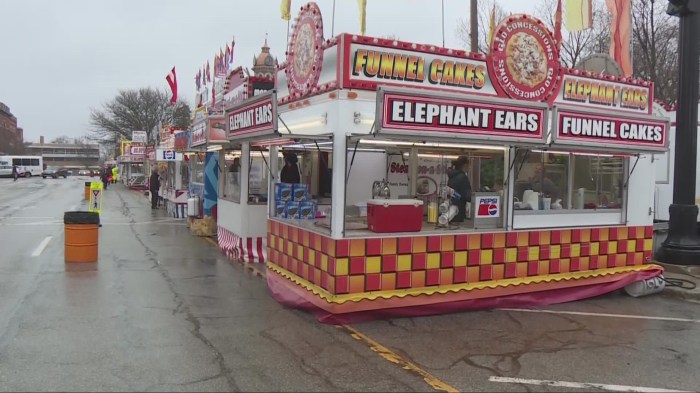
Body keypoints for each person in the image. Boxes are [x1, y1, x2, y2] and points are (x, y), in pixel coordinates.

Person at [447, 156, 472, 223]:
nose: (469, 167)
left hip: (450, 209)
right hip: (459, 210)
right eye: (469, 165)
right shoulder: (463, 178)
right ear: (465, 165)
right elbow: (467, 196)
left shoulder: (452, 177)